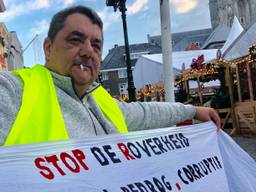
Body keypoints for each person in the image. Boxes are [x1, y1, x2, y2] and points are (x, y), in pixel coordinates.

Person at [0, 5, 220, 146]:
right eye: (75, 40)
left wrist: (193, 110)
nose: (88, 51)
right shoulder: (14, 90)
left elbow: (144, 113)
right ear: (48, 48)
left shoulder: (100, 101)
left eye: (96, 45)